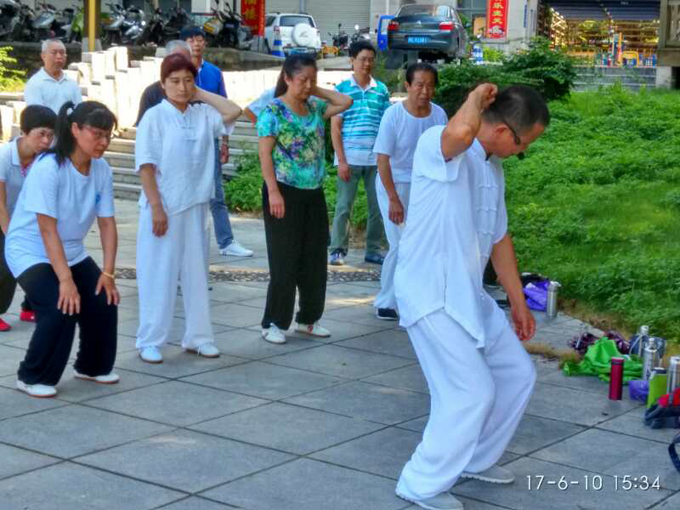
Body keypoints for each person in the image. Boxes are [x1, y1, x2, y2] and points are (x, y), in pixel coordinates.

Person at [393, 84, 548, 510]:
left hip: (467, 294)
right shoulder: (438, 145)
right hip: (430, 292)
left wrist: (518, 302)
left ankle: (475, 458)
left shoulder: (492, 170)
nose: (521, 152)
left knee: (517, 374)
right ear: (501, 131)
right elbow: (461, 134)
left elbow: (499, 238)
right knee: (469, 392)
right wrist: (478, 97)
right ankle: (420, 482)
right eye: (522, 145)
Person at [6, 101, 120, 398]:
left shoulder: (102, 169)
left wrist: (108, 273)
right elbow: (47, 229)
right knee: (60, 304)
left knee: (103, 298)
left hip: (71, 250)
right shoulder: (49, 168)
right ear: (75, 129)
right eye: (97, 134)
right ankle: (31, 376)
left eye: (107, 135)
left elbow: (107, 223)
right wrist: (66, 280)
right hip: (30, 249)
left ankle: (92, 366)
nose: (103, 142)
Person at [135, 53, 242, 364]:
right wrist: (157, 207)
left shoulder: (203, 113)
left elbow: (234, 111)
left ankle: (199, 337)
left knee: (196, 275)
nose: (182, 87)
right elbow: (145, 166)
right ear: (162, 84)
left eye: (187, 80)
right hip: (164, 207)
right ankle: (150, 340)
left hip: (196, 205)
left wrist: (200, 93)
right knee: (159, 275)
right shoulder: (154, 117)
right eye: (175, 81)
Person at [258, 55, 352, 345]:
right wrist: (273, 191)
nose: (308, 85)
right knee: (284, 259)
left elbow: (345, 101)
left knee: (314, 258)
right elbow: (265, 155)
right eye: (302, 80)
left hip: (313, 191)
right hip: (283, 191)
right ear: (287, 78)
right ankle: (273, 322)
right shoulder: (273, 110)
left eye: (312, 79)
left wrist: (314, 88)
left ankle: (308, 319)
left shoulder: (315, 107)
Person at [372, 63, 447, 322]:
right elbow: (382, 160)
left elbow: (444, 155)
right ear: (407, 86)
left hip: (425, 187)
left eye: (430, 86)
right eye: (419, 85)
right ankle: (386, 301)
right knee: (401, 243)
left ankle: (416, 299)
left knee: (422, 244)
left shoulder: (439, 115)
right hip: (393, 184)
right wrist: (393, 199)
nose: (425, 91)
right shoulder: (393, 115)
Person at [181, 26, 253, 258]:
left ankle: (226, 241)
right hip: (183, 139)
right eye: (191, 39)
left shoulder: (214, 72)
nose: (196, 43)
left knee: (216, 192)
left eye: (199, 39)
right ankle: (186, 242)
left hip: (210, 136)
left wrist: (225, 142)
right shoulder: (176, 74)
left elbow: (226, 107)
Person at [328, 40, 390, 267]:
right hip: (349, 159)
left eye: (371, 60)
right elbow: (335, 128)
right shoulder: (342, 90)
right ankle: (337, 249)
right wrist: (341, 160)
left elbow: (386, 125)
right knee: (344, 206)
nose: (367, 64)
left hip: (375, 160)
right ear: (352, 60)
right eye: (363, 59)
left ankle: (373, 249)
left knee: (378, 207)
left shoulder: (381, 90)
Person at [0, 105, 57, 330]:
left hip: (24, 219)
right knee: (6, 264)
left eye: (51, 135)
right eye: (41, 134)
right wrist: (12, 236)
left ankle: (29, 307)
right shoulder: (4, 156)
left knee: (42, 259)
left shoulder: (44, 160)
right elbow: (0, 204)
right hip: (3, 216)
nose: (46, 141)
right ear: (24, 131)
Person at [135, 40, 193, 126]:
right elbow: (143, 127)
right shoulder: (152, 93)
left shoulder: (199, 91)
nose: (182, 88)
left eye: (186, 61)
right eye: (177, 61)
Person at [24, 39, 82, 114]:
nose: (59, 56)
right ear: (43, 56)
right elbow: (36, 114)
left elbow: (79, 111)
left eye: (62, 53)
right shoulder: (34, 83)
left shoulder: (72, 84)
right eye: (54, 53)